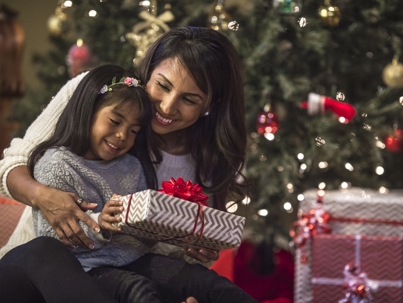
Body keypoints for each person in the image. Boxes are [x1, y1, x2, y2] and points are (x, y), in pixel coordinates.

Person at [0, 27, 255, 303]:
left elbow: (167, 262)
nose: (167, 107)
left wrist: (193, 250)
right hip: (41, 269)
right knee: (48, 251)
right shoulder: (94, 94)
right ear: (149, 71)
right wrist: (42, 196)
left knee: (204, 286)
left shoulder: (206, 161)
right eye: (163, 85)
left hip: (125, 272)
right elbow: (13, 163)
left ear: (210, 105)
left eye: (189, 99)